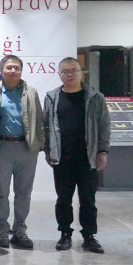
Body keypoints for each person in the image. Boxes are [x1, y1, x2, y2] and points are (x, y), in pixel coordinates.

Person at [44, 57, 110, 254]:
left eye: (74, 70)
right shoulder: (52, 97)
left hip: (87, 157)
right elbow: (45, 125)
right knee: (63, 199)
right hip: (62, 157)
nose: (70, 74)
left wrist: (102, 151)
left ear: (81, 73)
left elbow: (104, 126)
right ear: (59, 74)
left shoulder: (95, 97)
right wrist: (47, 150)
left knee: (88, 199)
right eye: (65, 71)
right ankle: (65, 234)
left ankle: (89, 236)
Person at [0, 55, 43, 250]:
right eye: (8, 68)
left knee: (24, 193)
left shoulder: (31, 92)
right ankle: (2, 231)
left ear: (21, 71)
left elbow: (39, 119)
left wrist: (40, 145)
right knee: (1, 192)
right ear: (1, 70)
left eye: (16, 68)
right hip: (1, 148)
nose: (12, 71)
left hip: (26, 149)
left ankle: (20, 230)